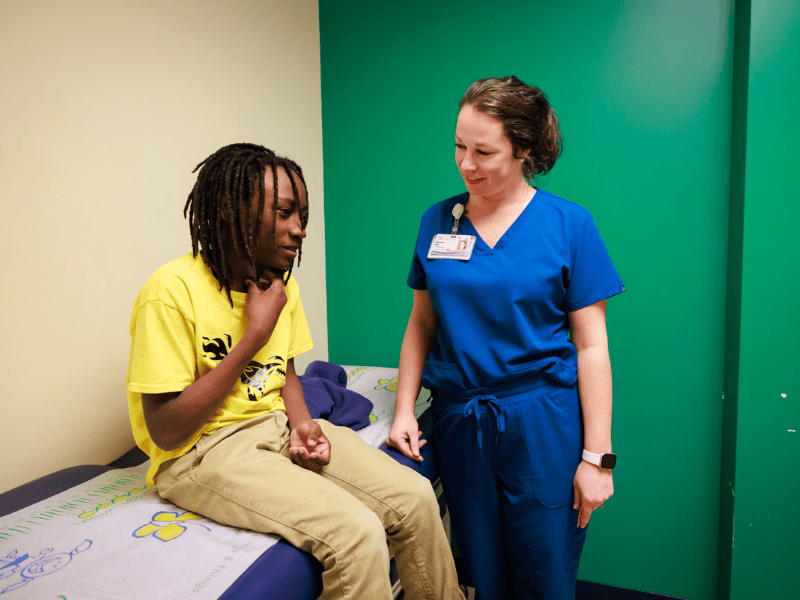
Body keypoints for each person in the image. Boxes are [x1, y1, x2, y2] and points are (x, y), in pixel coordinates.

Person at [126, 143, 462, 600]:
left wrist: (304, 424)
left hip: (278, 426)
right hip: (203, 451)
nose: (299, 230)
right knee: (356, 533)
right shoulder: (170, 292)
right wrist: (253, 335)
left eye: (302, 215)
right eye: (284, 213)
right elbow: (165, 432)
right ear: (230, 209)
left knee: (417, 498)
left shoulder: (279, 284)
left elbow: (283, 370)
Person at [388, 77, 625, 600]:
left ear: (524, 152)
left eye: (483, 151)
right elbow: (421, 325)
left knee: (544, 570)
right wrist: (405, 409)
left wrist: (596, 459)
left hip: (541, 423)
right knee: (480, 570)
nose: (465, 163)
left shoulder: (568, 225)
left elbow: (592, 347)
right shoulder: (438, 221)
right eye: (458, 146)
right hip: (461, 419)